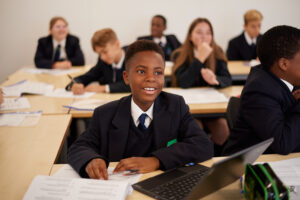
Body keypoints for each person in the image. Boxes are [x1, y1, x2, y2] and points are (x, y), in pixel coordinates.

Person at [68, 40, 213, 179]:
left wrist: (156, 160)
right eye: (141, 71)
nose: (151, 78)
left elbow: (203, 144)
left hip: (160, 187)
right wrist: (91, 159)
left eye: (158, 72)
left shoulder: (175, 106)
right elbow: (79, 147)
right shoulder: (105, 114)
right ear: (126, 77)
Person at [223, 25, 300, 155]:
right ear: (284, 64)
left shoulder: (289, 78)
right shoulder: (260, 90)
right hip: (253, 167)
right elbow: (282, 144)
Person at [171, 18, 231, 150]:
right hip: (190, 109)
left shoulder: (218, 52)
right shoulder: (179, 54)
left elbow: (227, 79)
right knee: (196, 129)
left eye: (208, 33)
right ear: (190, 36)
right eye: (199, 32)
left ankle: (215, 159)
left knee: (222, 128)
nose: (204, 37)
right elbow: (183, 82)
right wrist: (200, 58)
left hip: (211, 108)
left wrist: (215, 80)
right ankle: (199, 158)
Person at [66, 28, 130, 94]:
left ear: (117, 44)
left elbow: (135, 84)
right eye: (99, 54)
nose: (102, 57)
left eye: (105, 52)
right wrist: (74, 84)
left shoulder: (135, 57)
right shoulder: (103, 62)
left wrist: (104, 88)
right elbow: (88, 76)